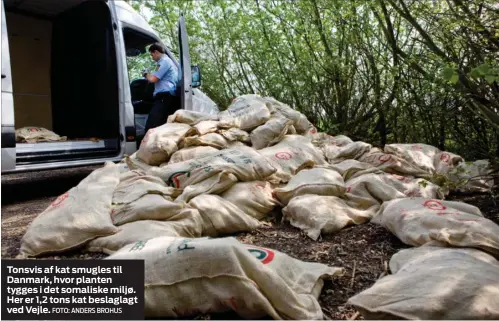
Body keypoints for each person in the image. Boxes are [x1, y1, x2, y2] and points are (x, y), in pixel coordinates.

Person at [142, 43, 180, 134]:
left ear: (156, 52)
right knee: (160, 125)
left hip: (164, 96)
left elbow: (153, 79)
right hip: (165, 96)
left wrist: (145, 74)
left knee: (151, 126)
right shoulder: (166, 62)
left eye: (152, 55)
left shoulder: (164, 62)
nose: (152, 58)